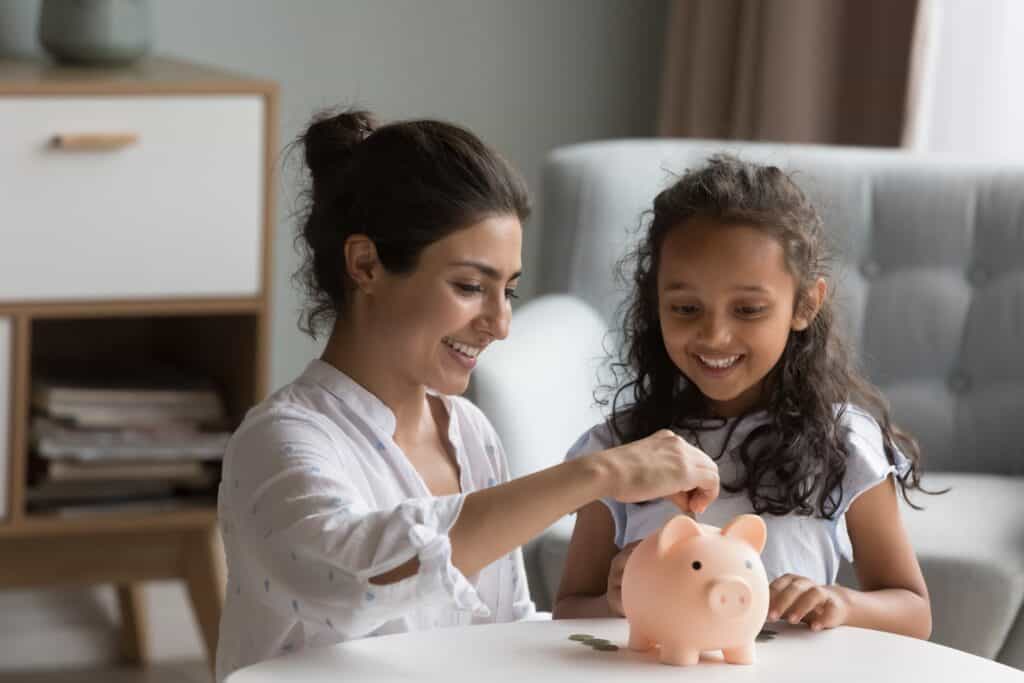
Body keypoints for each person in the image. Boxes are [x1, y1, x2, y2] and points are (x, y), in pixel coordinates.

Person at [214, 109, 721, 681]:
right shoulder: (279, 440)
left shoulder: (469, 431)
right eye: (470, 287)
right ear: (365, 264)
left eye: (508, 290)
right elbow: (357, 580)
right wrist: (596, 474)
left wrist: (629, 603)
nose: (500, 323)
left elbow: (504, 628)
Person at [553, 155, 933, 639]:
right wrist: (616, 600)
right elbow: (567, 609)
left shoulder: (845, 442)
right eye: (686, 308)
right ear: (656, 305)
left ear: (804, 305)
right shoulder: (620, 450)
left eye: (748, 310)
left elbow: (913, 611)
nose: (714, 335)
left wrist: (839, 602)